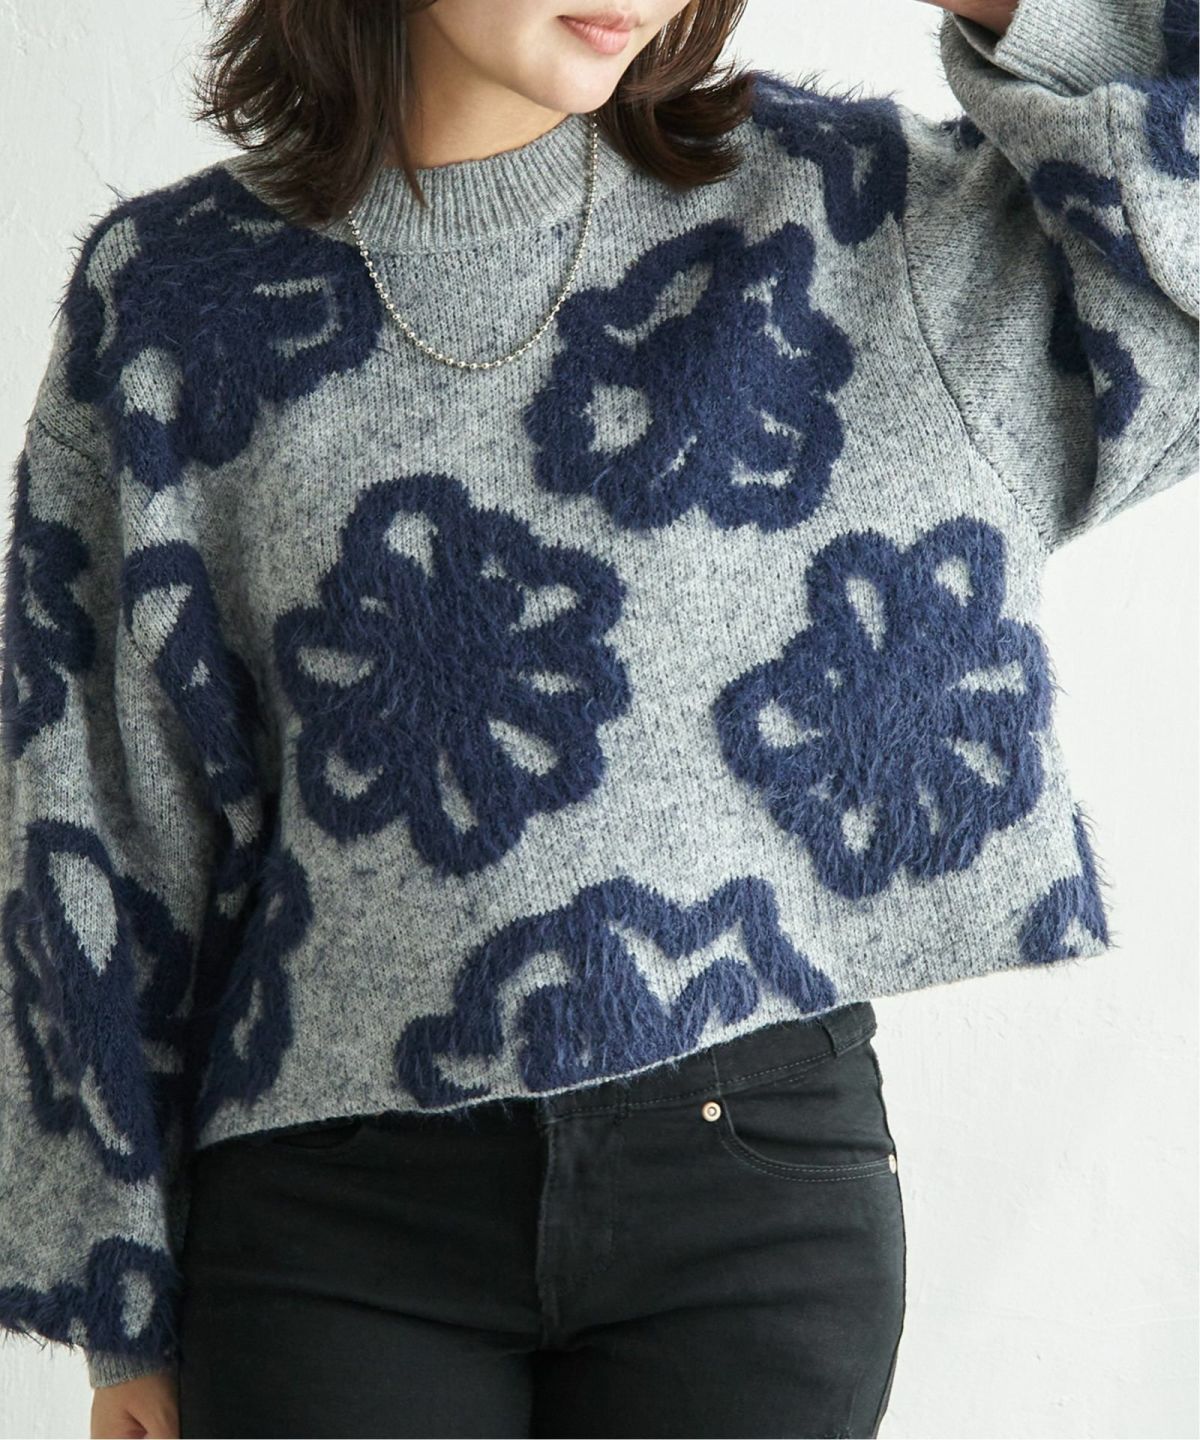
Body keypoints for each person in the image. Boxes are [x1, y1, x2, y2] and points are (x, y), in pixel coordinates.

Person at [0, 0, 1195, 1436]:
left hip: (749, 1210)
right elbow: (98, 809)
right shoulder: (172, 300)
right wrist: (119, 1308)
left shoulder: (849, 222)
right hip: (327, 1228)